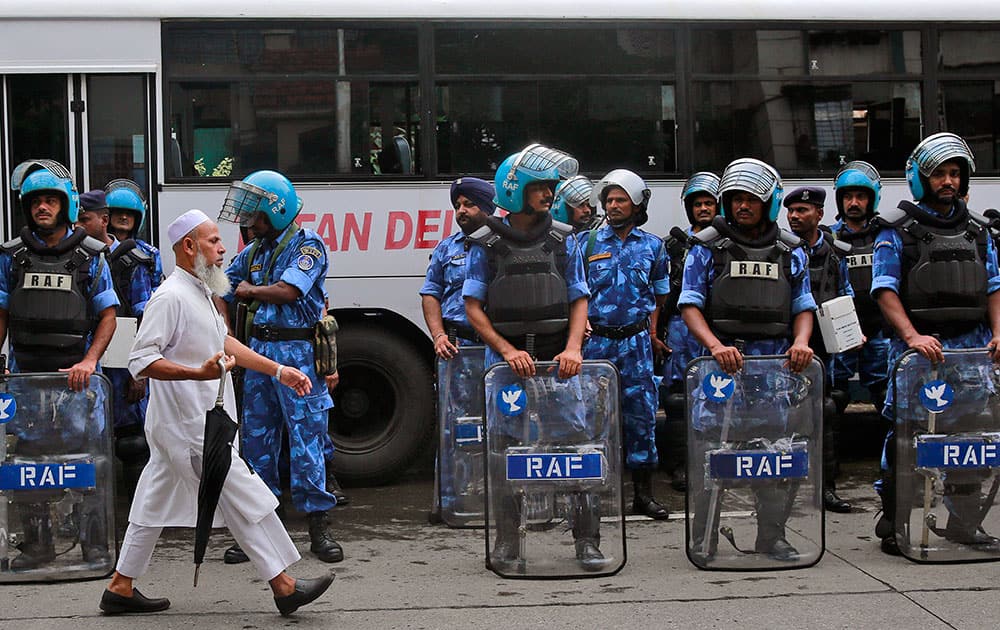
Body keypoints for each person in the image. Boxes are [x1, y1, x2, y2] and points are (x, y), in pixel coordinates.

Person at [99, 209, 333, 616]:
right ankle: (284, 585)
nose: (224, 248)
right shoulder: (170, 297)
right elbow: (140, 360)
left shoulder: (200, 291)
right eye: (213, 241)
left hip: (193, 427)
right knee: (246, 498)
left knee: (152, 502)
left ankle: (120, 587)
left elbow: (224, 343)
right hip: (191, 428)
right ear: (189, 247)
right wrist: (196, 373)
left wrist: (279, 370)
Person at [463, 145, 596, 570]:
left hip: (560, 364)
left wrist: (573, 348)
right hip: (506, 368)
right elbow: (473, 307)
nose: (549, 194)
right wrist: (506, 351)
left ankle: (587, 542)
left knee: (576, 448)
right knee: (507, 452)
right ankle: (507, 543)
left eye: (551, 187)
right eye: (541, 187)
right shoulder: (485, 242)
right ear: (515, 189)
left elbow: (579, 297)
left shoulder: (562, 238)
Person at [679, 158, 817, 562]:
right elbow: (689, 304)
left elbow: (803, 303)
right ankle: (704, 539)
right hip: (723, 367)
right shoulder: (707, 246)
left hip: (774, 367)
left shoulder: (791, 250)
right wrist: (715, 345)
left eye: (751, 199)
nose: (742, 206)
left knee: (775, 456)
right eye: (735, 199)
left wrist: (802, 341)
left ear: (767, 203)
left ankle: (771, 538)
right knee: (714, 457)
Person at [871, 132, 1000, 555]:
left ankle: (964, 524)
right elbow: (884, 289)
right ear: (921, 178)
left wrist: (998, 333)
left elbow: (994, 287)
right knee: (907, 442)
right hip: (919, 358)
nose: (948, 181)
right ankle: (895, 524)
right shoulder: (897, 230)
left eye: (954, 173)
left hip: (971, 355)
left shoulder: (980, 231)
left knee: (969, 443)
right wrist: (912, 337)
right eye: (939, 174)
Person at [218, 170, 343, 564]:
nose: (246, 220)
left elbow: (290, 291)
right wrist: (223, 319)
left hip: (299, 355)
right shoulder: (254, 251)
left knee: (306, 441)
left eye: (253, 212)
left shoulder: (307, 246)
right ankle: (259, 530)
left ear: (275, 209)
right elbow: (221, 284)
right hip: (258, 357)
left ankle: (319, 527)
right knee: (257, 443)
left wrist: (247, 292)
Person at [0, 160, 119, 570]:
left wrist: (90, 360)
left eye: (51, 200)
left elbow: (107, 315)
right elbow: (1, 312)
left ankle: (94, 547)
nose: (43, 208)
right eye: (36, 201)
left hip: (76, 384)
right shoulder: (11, 257)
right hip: (25, 381)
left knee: (86, 465)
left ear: (64, 206)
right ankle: (38, 546)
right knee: (27, 465)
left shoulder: (92, 257)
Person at [583, 169, 671, 520]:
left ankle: (643, 496)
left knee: (642, 418)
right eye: (609, 200)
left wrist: (651, 333)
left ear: (637, 204)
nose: (614, 205)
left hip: (635, 345)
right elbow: (575, 294)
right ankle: (592, 497)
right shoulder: (585, 243)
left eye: (621, 199)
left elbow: (659, 296)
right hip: (597, 346)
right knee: (592, 419)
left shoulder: (654, 246)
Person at [420, 177, 494, 523]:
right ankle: (451, 503)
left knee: (502, 424)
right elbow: (430, 292)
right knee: (455, 427)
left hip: (496, 349)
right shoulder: (447, 248)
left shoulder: (503, 245)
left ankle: (501, 503)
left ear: (488, 207)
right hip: (458, 348)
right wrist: (438, 335)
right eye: (458, 206)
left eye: (469, 205)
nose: (461, 211)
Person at [76, 189, 155, 499]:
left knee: (132, 440)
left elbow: (145, 315)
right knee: (84, 438)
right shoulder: (74, 257)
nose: (78, 226)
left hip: (123, 358)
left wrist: (140, 371)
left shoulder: (134, 259)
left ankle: (136, 509)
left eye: (85, 220)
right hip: (85, 356)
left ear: (101, 220)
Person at [784, 186, 855, 513]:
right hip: (787, 347)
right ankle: (784, 489)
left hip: (822, 349)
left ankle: (826, 488)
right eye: (792, 211)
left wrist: (850, 335)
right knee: (785, 420)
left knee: (824, 416)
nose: (795, 216)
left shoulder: (836, 253)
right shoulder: (781, 249)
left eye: (803, 211)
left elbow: (846, 294)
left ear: (819, 215)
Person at [656, 172, 720, 492]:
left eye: (709, 203)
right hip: (680, 329)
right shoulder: (671, 246)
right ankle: (680, 465)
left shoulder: (728, 244)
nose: (704, 209)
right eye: (698, 204)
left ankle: (712, 462)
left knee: (716, 398)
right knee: (678, 401)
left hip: (717, 330)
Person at [829, 162, 891, 424]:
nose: (853, 202)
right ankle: (831, 456)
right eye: (847, 196)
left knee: (885, 391)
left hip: (879, 326)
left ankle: (893, 453)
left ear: (871, 199)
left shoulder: (886, 235)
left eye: (860, 196)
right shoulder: (827, 239)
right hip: (840, 330)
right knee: (835, 394)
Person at [104, 179, 163, 291]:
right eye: (119, 212)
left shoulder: (150, 254)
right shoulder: (98, 250)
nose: (124, 217)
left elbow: (157, 290)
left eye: (129, 214)